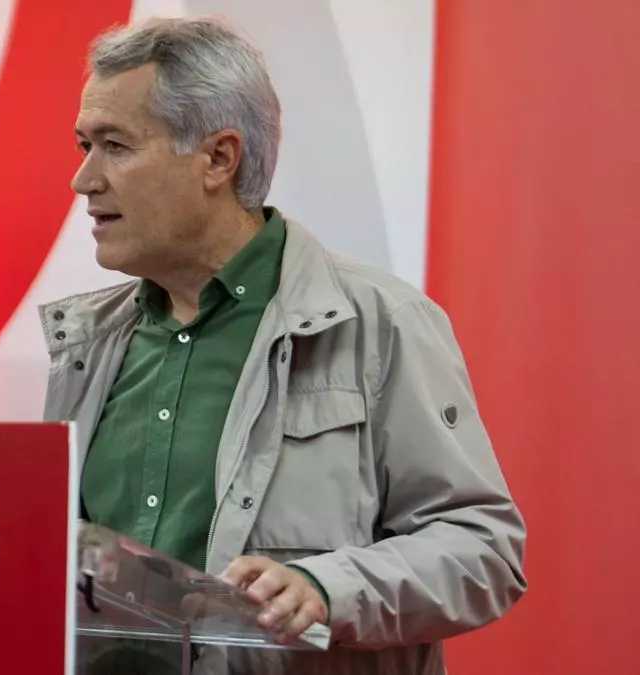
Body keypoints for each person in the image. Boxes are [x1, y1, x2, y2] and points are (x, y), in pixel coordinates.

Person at [39, 16, 527, 675]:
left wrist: (329, 589)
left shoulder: (382, 323)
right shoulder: (87, 342)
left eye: (115, 146)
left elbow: (482, 549)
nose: (84, 179)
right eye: (84, 145)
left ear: (219, 158)